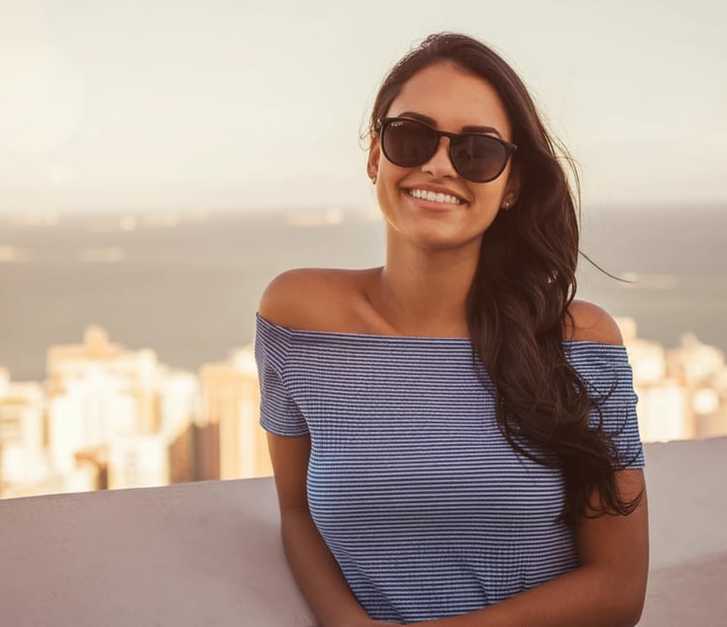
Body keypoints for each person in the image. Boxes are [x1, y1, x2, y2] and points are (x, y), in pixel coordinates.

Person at [255, 32, 649, 626]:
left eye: (478, 150)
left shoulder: (580, 343)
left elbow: (619, 590)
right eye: (410, 136)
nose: (438, 164)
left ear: (512, 184)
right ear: (374, 155)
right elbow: (295, 514)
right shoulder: (297, 317)